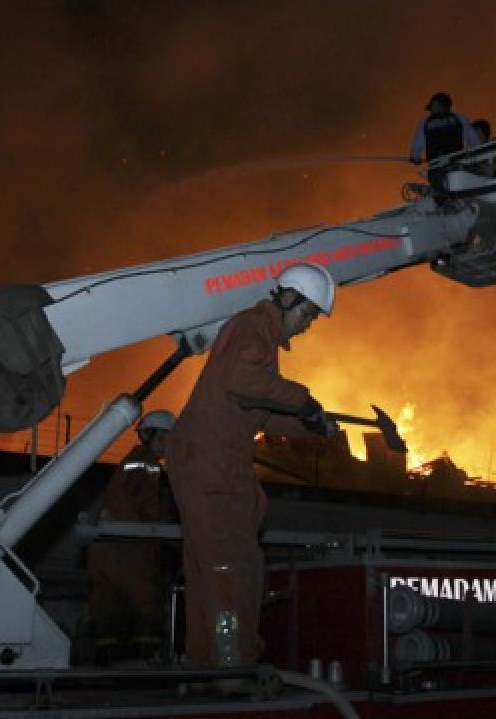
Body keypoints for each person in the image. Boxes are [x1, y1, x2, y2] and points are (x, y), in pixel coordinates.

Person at [165, 263, 337, 678]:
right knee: (234, 566)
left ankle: (205, 661)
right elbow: (243, 381)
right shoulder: (253, 329)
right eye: (309, 314)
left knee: (210, 566)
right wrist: (303, 401)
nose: (308, 325)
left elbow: (257, 413)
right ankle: (231, 665)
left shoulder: (258, 342)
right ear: (291, 299)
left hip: (207, 462)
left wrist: (310, 427)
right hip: (213, 466)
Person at [86, 409, 179, 663]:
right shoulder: (146, 464)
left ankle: (111, 667)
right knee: (143, 605)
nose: (167, 445)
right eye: (164, 439)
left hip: (115, 547)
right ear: (149, 437)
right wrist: (170, 531)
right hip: (131, 550)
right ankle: (140, 670)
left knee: (112, 609)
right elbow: (148, 507)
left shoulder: (133, 462)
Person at [408, 92, 481, 189]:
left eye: (435, 105)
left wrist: (415, 157)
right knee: (455, 188)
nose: (433, 109)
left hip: (439, 166)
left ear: (443, 105)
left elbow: (417, 144)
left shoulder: (425, 123)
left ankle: (444, 201)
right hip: (454, 164)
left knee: (441, 192)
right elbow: (474, 141)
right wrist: (472, 153)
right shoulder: (460, 119)